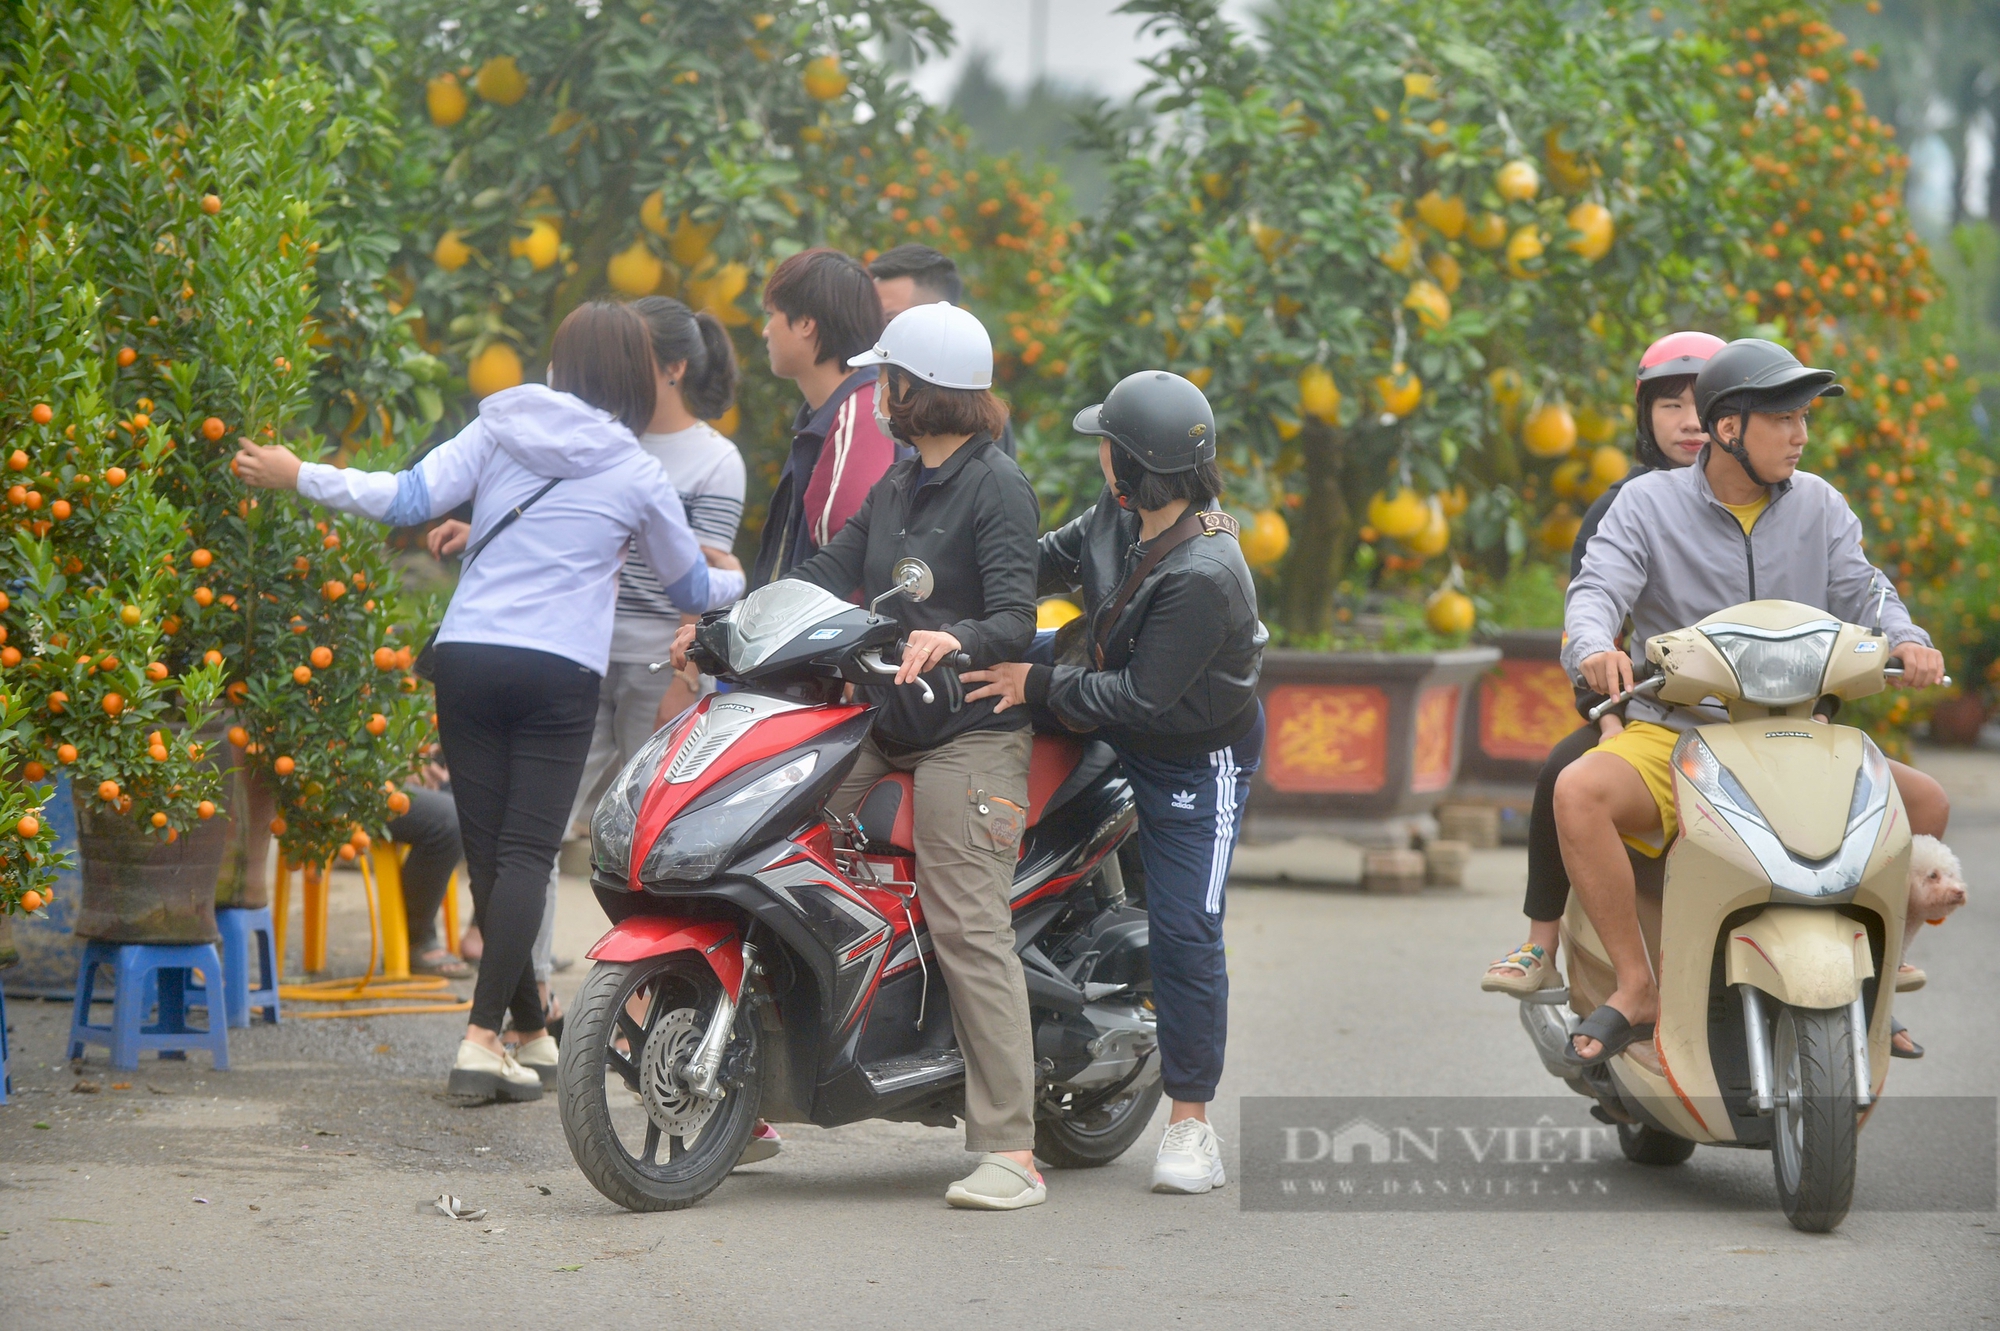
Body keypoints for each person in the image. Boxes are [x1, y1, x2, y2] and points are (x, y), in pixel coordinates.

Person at [233, 302, 745, 1104]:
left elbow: (405, 498)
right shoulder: (636, 471)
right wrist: (735, 576)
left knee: (492, 849)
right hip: (557, 674)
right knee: (527, 857)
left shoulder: (500, 426)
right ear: (629, 376)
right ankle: (481, 1040)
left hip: (469, 660)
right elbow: (689, 587)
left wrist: (301, 473)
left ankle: (533, 1031)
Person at [676, 301, 1041, 1208]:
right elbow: (821, 574)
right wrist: (727, 629)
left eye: (892, 380)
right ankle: (748, 1082)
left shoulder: (998, 487)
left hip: (973, 732)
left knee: (966, 921)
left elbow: (1017, 618)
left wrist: (950, 638)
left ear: (924, 390)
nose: (881, 394)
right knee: (762, 845)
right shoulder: (898, 486)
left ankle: (1012, 1151)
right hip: (888, 721)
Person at [1555, 338, 1948, 1064]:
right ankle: (1637, 983)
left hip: (1800, 736)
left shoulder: (1822, 506)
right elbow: (1597, 590)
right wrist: (1593, 645)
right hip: (1678, 732)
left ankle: (1878, 978)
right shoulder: (1646, 502)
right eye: (1784, 419)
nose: (1801, 435)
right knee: (1580, 790)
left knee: (1923, 805)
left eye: (1804, 419)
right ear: (1729, 426)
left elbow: (1867, 590)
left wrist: (1906, 639)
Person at [964, 370, 1266, 1196]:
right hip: (1109, 718)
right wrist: (960, 606)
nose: (1097, 455)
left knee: (1187, 927)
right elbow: (1043, 564)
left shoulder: (1207, 572)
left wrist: (1032, 684)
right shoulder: (1115, 516)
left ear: (1130, 463)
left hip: (1192, 760)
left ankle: (1192, 1125)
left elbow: (1140, 697)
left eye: (1106, 444)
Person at [1481, 331, 1722, 997]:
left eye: (1705, 404)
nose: (1691, 421)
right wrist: (1608, 717)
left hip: (1751, 714)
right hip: (1645, 707)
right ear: (1644, 415)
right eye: (1670, 406)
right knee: (1566, 768)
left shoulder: (1776, 502)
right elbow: (1591, 622)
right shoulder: (1622, 505)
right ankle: (1541, 940)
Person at [749, 247, 902, 587]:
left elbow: (841, 558)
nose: (765, 330)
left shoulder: (862, 412)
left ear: (805, 323)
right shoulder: (839, 410)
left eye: (771, 314)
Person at [868, 244, 1017, 458]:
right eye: (874, 321)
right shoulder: (878, 401)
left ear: (942, 319)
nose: (881, 334)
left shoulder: (977, 426)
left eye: (892, 320)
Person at [388, 763, 468, 979]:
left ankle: (481, 934)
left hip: (395, 771)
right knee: (450, 822)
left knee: (486, 798)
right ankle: (416, 938)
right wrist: (395, 769)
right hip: (354, 784)